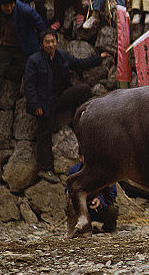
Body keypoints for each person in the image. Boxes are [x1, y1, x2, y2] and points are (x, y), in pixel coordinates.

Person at [24, 29, 106, 182]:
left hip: (61, 95)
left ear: (57, 42)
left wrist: (98, 58)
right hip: (45, 101)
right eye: (47, 42)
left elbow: (79, 64)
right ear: (41, 44)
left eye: (53, 41)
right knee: (44, 132)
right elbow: (29, 86)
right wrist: (35, 105)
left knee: (84, 89)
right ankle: (45, 168)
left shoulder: (61, 55)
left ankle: (83, 115)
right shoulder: (34, 61)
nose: (50, 44)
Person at [0, 0, 45, 116]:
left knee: (34, 70)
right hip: (1, 42)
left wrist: (40, 45)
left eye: (11, 5)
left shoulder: (25, 10)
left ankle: (39, 100)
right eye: (5, 6)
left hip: (22, 45)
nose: (8, 8)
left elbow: (41, 25)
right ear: (0, 5)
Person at [66, 156, 118, 232]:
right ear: (80, 158)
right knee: (71, 206)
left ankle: (108, 229)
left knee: (113, 208)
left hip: (100, 208)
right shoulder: (74, 171)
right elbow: (68, 191)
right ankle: (78, 229)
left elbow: (112, 193)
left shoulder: (105, 170)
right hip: (81, 208)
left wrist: (100, 200)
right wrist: (81, 200)